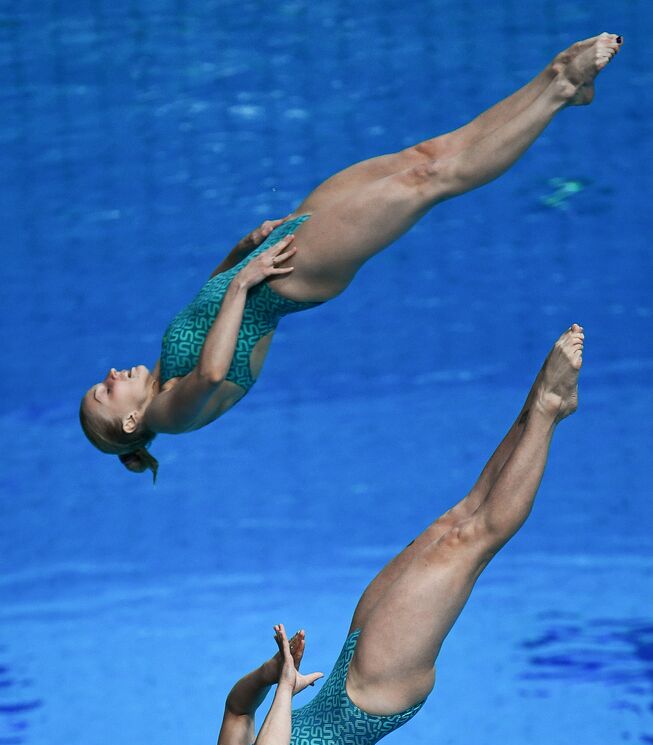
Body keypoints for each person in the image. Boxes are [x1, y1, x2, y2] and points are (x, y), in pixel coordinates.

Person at [147, 324, 585, 745]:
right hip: (373, 694)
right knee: (471, 542)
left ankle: (542, 406)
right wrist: (284, 687)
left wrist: (266, 674)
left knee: (458, 520)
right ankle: (548, 407)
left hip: (352, 671)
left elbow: (236, 710)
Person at [81, 35, 620, 479]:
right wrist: (246, 281)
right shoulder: (170, 417)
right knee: (430, 182)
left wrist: (241, 251)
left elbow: (208, 301)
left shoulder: (157, 375)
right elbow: (215, 371)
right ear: (130, 423)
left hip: (276, 253)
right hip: (296, 272)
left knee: (424, 157)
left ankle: (560, 85)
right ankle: (561, 86)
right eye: (106, 392)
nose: (109, 374)